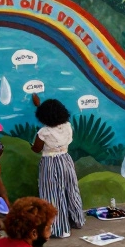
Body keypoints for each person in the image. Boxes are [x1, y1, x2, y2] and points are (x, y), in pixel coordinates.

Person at [30, 97, 84, 238]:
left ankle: (60, 229)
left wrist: (31, 145)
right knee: (71, 190)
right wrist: (39, 105)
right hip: (66, 160)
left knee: (52, 194)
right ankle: (77, 220)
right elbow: (52, 116)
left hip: (50, 163)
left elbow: (36, 149)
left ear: (42, 115)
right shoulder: (66, 125)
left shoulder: (44, 132)